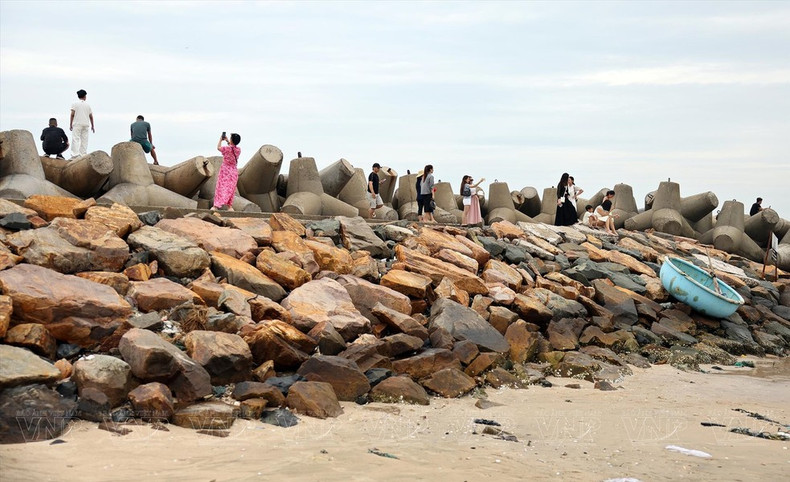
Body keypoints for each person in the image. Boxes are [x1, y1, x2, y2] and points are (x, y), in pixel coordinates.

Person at [212, 132, 241, 211]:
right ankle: (229, 206)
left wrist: (221, 140)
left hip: (225, 171)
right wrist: (228, 141)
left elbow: (218, 147)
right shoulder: (238, 150)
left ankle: (216, 206)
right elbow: (232, 147)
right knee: (230, 189)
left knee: (221, 187)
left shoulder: (226, 149)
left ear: (231, 140)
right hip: (234, 172)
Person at [69, 89, 94, 158]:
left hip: (77, 124)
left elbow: (72, 114)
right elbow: (91, 116)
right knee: (84, 140)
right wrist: (92, 126)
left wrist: (70, 124)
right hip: (86, 124)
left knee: (75, 139)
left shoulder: (75, 104)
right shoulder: (88, 105)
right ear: (85, 96)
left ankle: (75, 155)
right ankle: (83, 155)